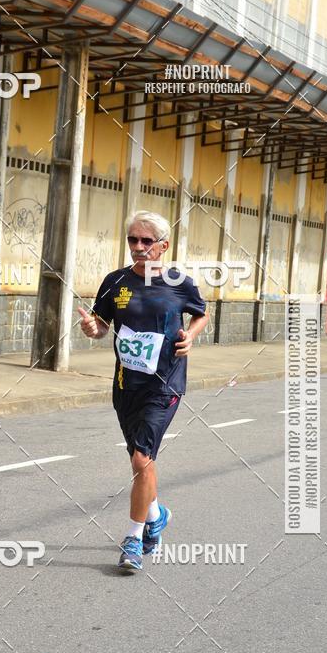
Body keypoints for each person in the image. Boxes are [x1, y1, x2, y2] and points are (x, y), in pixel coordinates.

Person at [78, 210, 209, 571]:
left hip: (165, 384)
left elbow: (201, 314)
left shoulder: (179, 282)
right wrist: (93, 328)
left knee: (141, 460)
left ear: (163, 246)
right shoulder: (114, 281)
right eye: (133, 240)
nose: (138, 247)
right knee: (140, 462)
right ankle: (156, 514)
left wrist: (190, 337)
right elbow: (103, 325)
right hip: (126, 385)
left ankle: (133, 539)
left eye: (146, 242)